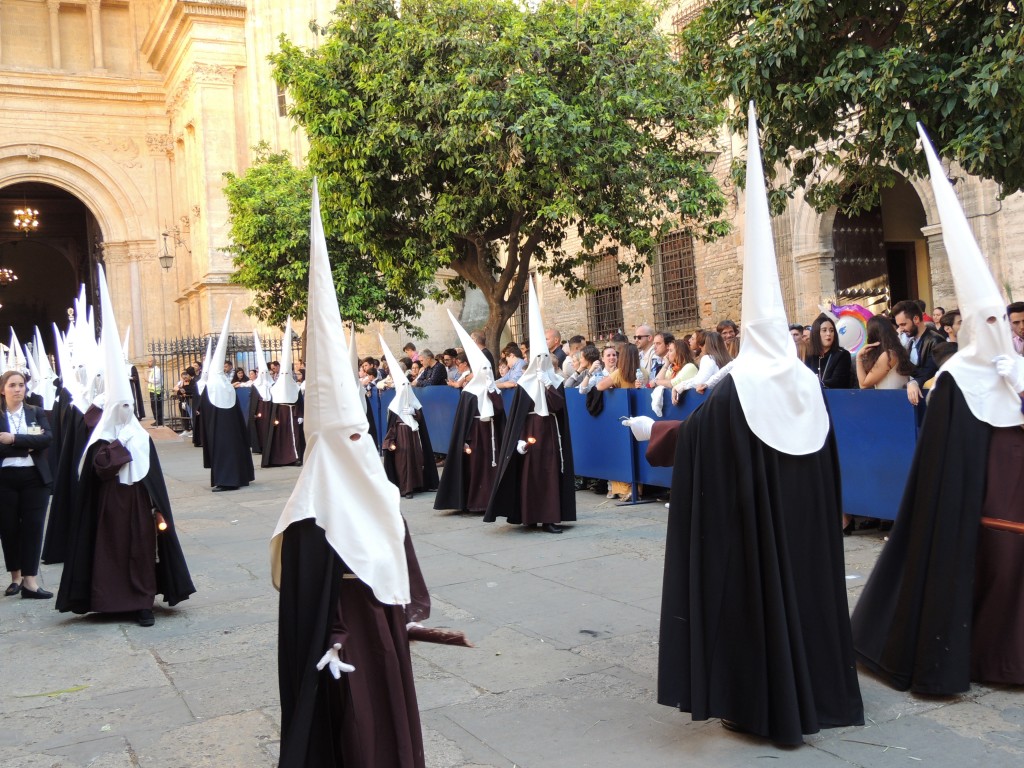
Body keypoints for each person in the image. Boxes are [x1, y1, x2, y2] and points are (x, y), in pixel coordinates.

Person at [628, 104, 863, 744]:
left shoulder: (737, 385)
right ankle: (816, 688)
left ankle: (763, 704)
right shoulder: (806, 382)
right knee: (808, 598)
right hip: (805, 531)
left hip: (757, 530)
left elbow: (701, 439)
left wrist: (656, 437)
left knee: (758, 602)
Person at [851, 128, 1024, 694]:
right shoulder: (955, 378)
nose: (1002, 332)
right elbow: (944, 458)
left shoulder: (1013, 373)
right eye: (992, 323)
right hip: (973, 506)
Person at [274, 183, 431, 768]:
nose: (362, 446)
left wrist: (404, 607)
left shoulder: (375, 487)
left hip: (380, 627)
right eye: (351, 439)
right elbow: (309, 594)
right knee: (356, 723)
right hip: (345, 639)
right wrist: (334, 635)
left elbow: (397, 547)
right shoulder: (310, 511)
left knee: (386, 710)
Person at [55, 266, 194, 625]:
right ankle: (112, 601)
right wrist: (116, 449)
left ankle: (143, 602)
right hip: (107, 507)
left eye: (129, 407)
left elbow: (153, 479)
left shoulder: (141, 436)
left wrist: (156, 507)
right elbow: (100, 468)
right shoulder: (101, 434)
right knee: (109, 554)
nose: (126, 412)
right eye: (121, 407)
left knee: (143, 552)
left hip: (138, 505)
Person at [485, 277, 575, 534]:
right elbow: (517, 417)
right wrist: (519, 440)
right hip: (531, 431)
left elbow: (557, 407)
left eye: (543, 358)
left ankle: (551, 517)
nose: (539, 362)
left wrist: (547, 383)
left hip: (549, 430)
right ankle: (529, 515)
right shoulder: (524, 383)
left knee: (549, 473)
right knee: (530, 474)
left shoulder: (553, 380)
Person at [435, 311, 507, 514]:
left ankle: (494, 500)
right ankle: (476, 502)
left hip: (491, 435)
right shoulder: (468, 392)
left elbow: (500, 411)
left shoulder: (493, 389)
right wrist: (465, 440)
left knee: (491, 469)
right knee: (476, 470)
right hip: (476, 437)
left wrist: (492, 391)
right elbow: (463, 420)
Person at [0, 370, 53, 599]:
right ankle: (16, 578)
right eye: (12, 385)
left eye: (21, 384)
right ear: (3, 389)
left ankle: (31, 581)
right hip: (5, 480)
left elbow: (46, 439)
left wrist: (13, 439)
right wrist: (28, 446)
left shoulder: (36, 412)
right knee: (9, 529)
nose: (18, 389)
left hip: (35, 479)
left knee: (33, 527)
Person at [200, 308, 255, 492]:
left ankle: (227, 480)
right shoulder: (226, 384)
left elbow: (206, 408)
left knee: (224, 451)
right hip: (231, 429)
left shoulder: (214, 385)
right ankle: (239, 476)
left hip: (219, 429)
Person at [381, 338, 439, 499]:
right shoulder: (394, 406)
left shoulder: (414, 402)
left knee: (415, 459)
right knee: (403, 462)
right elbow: (391, 425)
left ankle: (417, 484)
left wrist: (413, 412)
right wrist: (391, 441)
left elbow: (420, 418)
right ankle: (405, 488)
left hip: (413, 435)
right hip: (401, 435)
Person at [262, 319, 305, 469]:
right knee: (279, 439)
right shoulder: (275, 387)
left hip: (292, 415)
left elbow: (299, 401)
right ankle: (278, 458)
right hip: (280, 416)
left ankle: (296, 457)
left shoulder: (296, 387)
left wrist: (300, 415)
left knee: (295, 438)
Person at [892, 298, 945, 405]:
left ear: (916, 319)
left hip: (931, 400)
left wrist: (915, 382)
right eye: (899, 325)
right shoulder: (910, 341)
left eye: (903, 324)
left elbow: (931, 370)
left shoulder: (936, 340)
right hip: (914, 398)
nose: (900, 329)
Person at [671, 331, 729, 403]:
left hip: (715, 401)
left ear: (707, 345)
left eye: (703, 344)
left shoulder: (708, 358)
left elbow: (699, 381)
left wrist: (679, 387)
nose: (701, 347)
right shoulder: (730, 360)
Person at [856, 316, 913, 390]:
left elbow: (863, 385)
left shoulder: (888, 355)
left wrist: (859, 357)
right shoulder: (896, 351)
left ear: (873, 333)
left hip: (891, 398)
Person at [804, 313, 853, 389]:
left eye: (831, 330)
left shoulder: (842, 354)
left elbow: (837, 381)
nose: (829, 334)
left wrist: (816, 385)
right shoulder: (810, 356)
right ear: (816, 333)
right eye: (824, 330)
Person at [146, 358, 163, 427]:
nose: (148, 362)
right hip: (153, 390)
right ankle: (157, 420)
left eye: (150, 361)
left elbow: (157, 380)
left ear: (154, 362)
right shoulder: (153, 370)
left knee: (157, 406)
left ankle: (159, 421)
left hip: (157, 390)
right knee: (154, 406)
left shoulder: (157, 370)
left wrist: (148, 381)